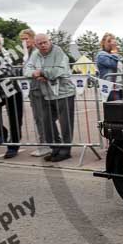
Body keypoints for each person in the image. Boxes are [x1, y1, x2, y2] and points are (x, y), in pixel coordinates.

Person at [24, 33, 75, 162]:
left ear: (50, 41)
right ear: (36, 44)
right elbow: (26, 70)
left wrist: (41, 72)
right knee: (46, 122)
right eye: (40, 43)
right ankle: (56, 148)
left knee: (66, 124)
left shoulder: (58, 52)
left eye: (45, 42)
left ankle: (66, 150)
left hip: (64, 93)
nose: (43, 45)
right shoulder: (35, 54)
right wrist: (36, 74)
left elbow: (57, 71)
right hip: (46, 94)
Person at [18, 29, 49, 157]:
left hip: (39, 89)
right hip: (34, 89)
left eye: (26, 39)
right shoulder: (27, 53)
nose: (24, 42)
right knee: (39, 118)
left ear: (32, 39)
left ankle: (46, 144)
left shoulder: (36, 53)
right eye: (22, 40)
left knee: (42, 118)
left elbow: (34, 70)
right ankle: (47, 143)